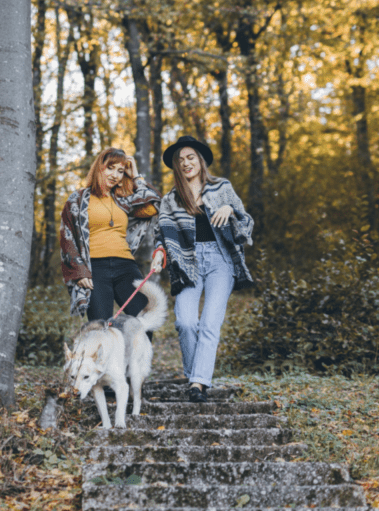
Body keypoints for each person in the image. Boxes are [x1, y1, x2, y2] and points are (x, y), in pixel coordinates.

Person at [150, 135, 254, 403]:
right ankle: (195, 374)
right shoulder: (171, 199)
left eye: (190, 157)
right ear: (176, 166)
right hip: (187, 262)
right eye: (181, 160)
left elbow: (246, 221)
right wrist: (159, 253)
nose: (186, 163)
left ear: (200, 160)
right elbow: (162, 234)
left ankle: (197, 383)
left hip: (221, 261)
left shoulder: (221, 187)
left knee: (210, 323)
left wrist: (230, 208)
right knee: (185, 322)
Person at [60, 147, 161, 323]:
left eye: (120, 171)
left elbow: (153, 206)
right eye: (111, 167)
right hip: (95, 269)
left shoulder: (124, 200)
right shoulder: (78, 199)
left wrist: (136, 176)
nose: (115, 174)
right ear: (100, 167)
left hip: (126, 267)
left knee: (144, 320)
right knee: (100, 326)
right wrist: (80, 271)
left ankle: (134, 352)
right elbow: (66, 235)